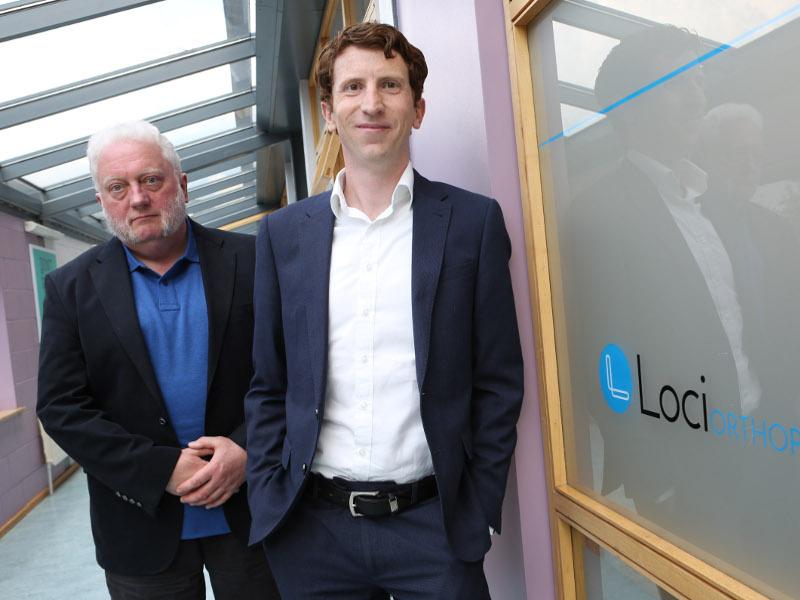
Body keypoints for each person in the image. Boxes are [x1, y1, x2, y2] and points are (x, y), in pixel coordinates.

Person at [244, 22, 523, 599]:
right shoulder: (282, 237)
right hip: (313, 532)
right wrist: (268, 487)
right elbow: (269, 384)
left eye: (390, 86)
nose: (371, 103)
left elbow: (498, 380)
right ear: (328, 111)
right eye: (353, 88)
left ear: (417, 109)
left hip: (435, 529)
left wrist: (478, 503)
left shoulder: (472, 224)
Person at [36, 121, 279, 600]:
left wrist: (246, 450)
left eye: (151, 180)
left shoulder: (254, 261)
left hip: (251, 513)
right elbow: (62, 408)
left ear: (181, 184)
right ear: (102, 200)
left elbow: (292, 374)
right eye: (117, 187)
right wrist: (160, 470)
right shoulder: (71, 288)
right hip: (139, 528)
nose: (138, 198)